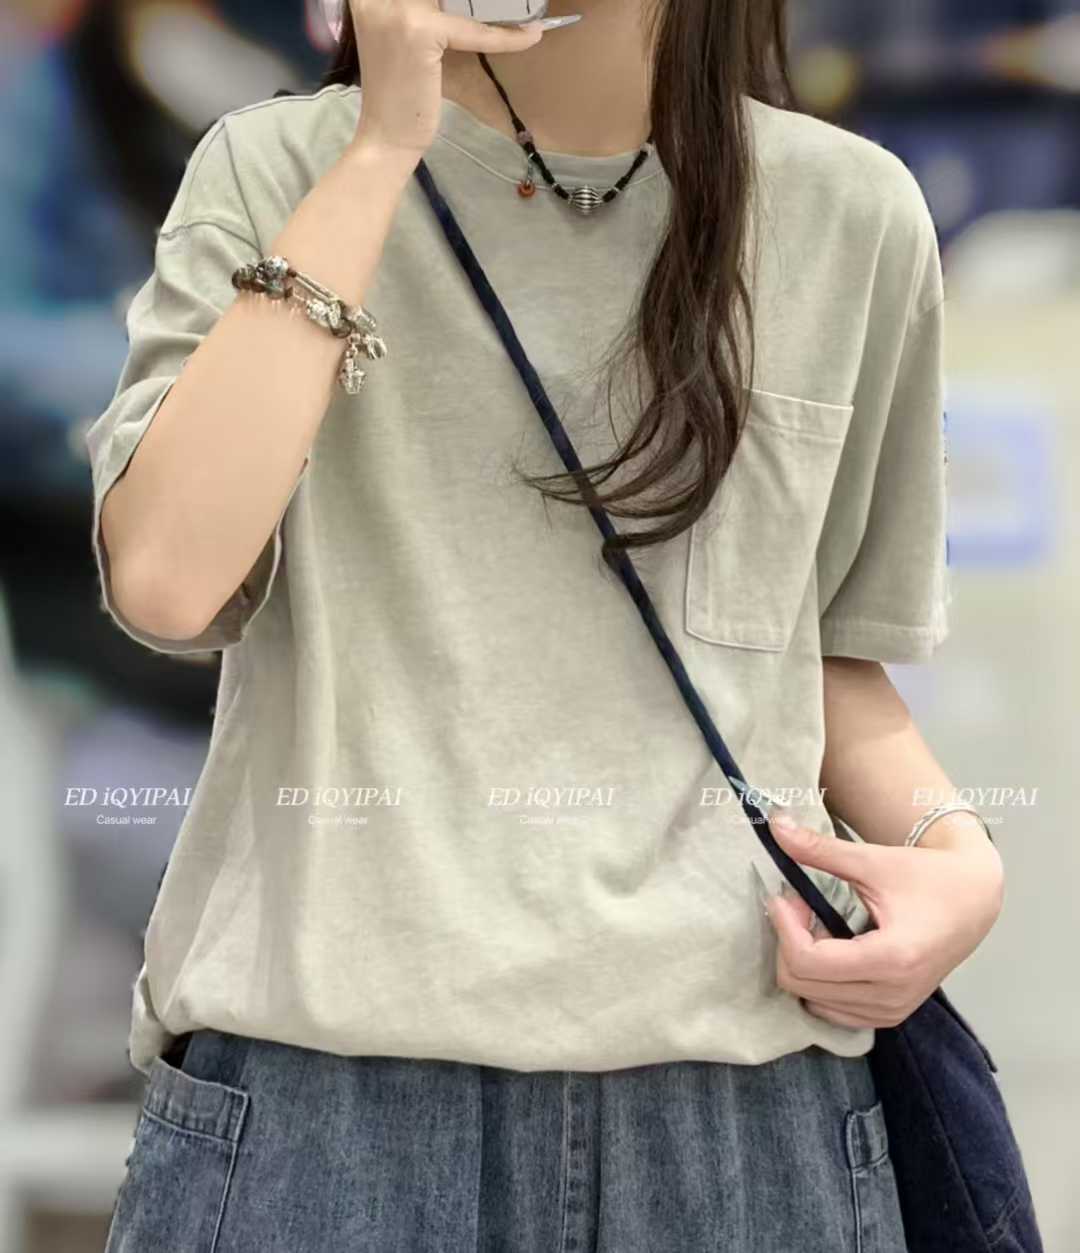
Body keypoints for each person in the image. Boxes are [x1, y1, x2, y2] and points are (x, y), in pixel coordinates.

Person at [88, 0, 1006, 1249]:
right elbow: (167, 579)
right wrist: (381, 150)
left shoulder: (851, 212)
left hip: (735, 1117)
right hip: (329, 1101)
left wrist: (960, 861)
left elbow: (820, 659)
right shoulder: (281, 167)